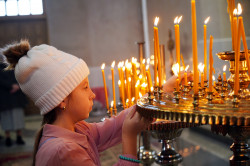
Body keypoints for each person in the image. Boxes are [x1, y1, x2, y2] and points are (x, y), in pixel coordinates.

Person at [1, 40, 191, 166]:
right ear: (61, 100)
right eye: (85, 88)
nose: (92, 94)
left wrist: (164, 91)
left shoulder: (78, 130)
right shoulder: (63, 151)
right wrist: (130, 137)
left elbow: (117, 124)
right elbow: (124, 128)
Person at [0, 62, 27, 147]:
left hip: (16, 96)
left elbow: (21, 76)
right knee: (6, 117)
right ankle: (8, 137)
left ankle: (19, 137)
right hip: (5, 96)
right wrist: (11, 86)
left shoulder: (16, 65)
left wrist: (17, 86)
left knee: (18, 117)